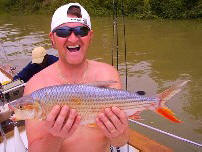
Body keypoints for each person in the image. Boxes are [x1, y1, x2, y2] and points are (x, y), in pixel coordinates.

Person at [24, 3, 129, 152]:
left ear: (90, 36)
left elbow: (120, 141)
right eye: (63, 32)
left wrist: (119, 133)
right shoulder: (35, 86)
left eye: (81, 30)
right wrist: (55, 136)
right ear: (52, 38)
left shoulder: (108, 74)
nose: (73, 39)